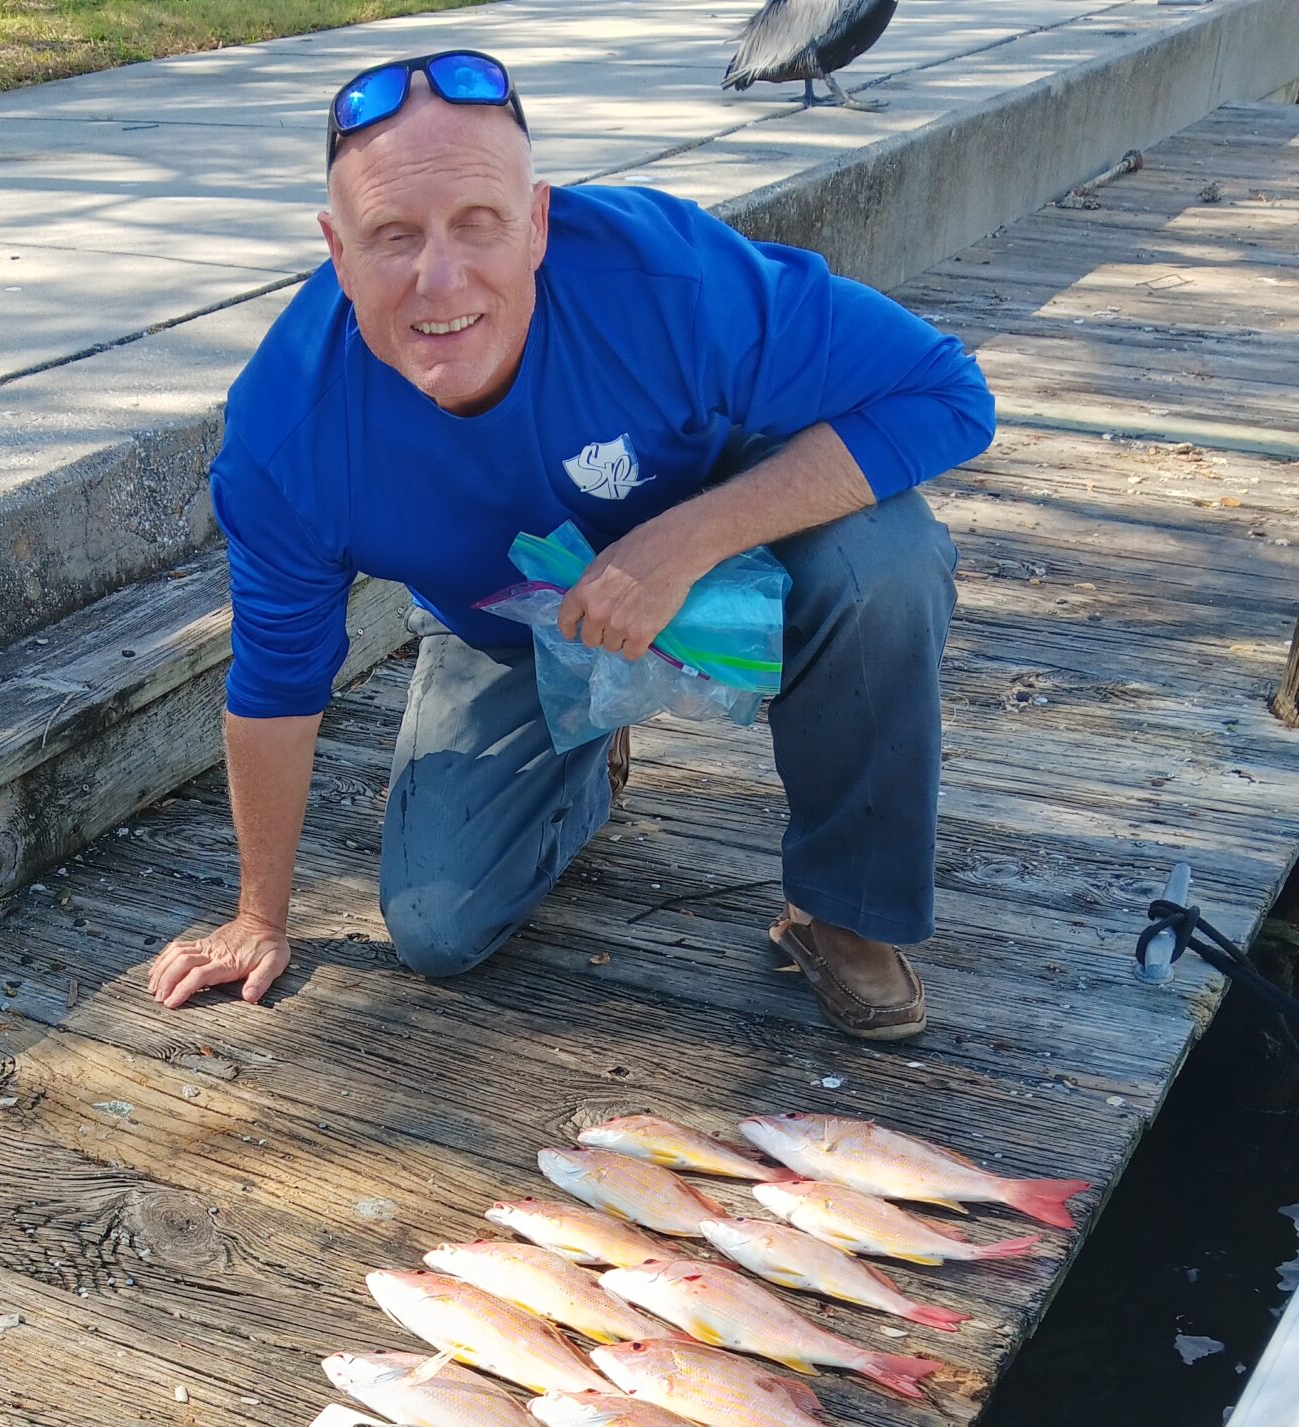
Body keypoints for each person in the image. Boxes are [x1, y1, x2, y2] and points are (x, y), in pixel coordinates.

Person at [148, 49, 994, 1040]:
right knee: (439, 928)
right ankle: (592, 742)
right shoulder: (283, 435)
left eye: (479, 223)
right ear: (334, 252)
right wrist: (261, 915)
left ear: (539, 223)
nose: (440, 279)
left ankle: (843, 911)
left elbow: (947, 395)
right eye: (392, 236)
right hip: (510, 624)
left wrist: (684, 540)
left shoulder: (665, 277)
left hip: (719, 536)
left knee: (885, 563)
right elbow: (277, 685)